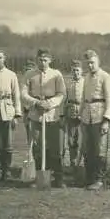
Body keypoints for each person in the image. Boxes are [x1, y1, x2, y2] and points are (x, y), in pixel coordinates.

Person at [22, 48, 67, 188]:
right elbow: (23, 93)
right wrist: (36, 103)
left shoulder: (56, 74)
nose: (43, 63)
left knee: (55, 148)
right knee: (38, 147)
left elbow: (62, 94)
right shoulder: (29, 74)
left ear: (50, 60)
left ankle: (58, 178)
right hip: (36, 114)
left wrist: (49, 104)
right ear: (37, 60)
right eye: (40, 60)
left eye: (45, 60)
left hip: (52, 115)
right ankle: (41, 175)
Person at [79, 50, 110, 190]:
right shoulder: (87, 77)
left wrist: (106, 120)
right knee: (88, 149)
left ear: (98, 62)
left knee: (100, 149)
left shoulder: (106, 77)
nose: (90, 65)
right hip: (86, 117)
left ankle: (99, 179)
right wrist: (80, 114)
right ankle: (89, 178)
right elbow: (84, 98)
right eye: (87, 63)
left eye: (92, 63)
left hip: (100, 116)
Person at [0, 48, 22, 182]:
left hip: (7, 111)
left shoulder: (11, 75)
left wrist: (17, 114)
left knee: (7, 144)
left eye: (0, 57)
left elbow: (16, 95)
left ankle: (6, 170)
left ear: (4, 58)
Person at [63, 60, 85, 174]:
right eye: (73, 70)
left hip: (84, 111)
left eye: (77, 70)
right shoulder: (68, 83)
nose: (75, 72)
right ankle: (73, 161)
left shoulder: (85, 82)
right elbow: (64, 99)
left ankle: (84, 162)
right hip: (71, 111)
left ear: (81, 71)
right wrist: (64, 113)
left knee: (85, 138)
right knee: (72, 139)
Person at [22, 59, 37, 145]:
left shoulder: (36, 84)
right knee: (28, 133)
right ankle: (30, 155)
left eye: (30, 70)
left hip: (35, 112)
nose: (27, 73)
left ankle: (36, 155)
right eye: (26, 70)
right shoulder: (24, 84)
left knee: (36, 135)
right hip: (26, 112)